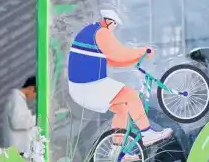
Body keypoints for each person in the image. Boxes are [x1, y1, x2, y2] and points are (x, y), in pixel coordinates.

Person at [67, 9, 172, 146]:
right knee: (131, 95)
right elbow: (118, 55)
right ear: (109, 22)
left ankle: (116, 150)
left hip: (83, 86)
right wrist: (142, 51)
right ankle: (147, 134)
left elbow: (114, 61)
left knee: (121, 109)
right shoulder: (102, 32)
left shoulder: (92, 31)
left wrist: (138, 56)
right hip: (88, 86)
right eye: (114, 24)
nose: (114, 28)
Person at [2, 76, 37, 150]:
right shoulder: (17, 99)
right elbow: (17, 123)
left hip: (16, 149)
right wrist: (36, 118)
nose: (34, 97)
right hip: (17, 149)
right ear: (31, 88)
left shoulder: (17, 99)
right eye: (36, 94)